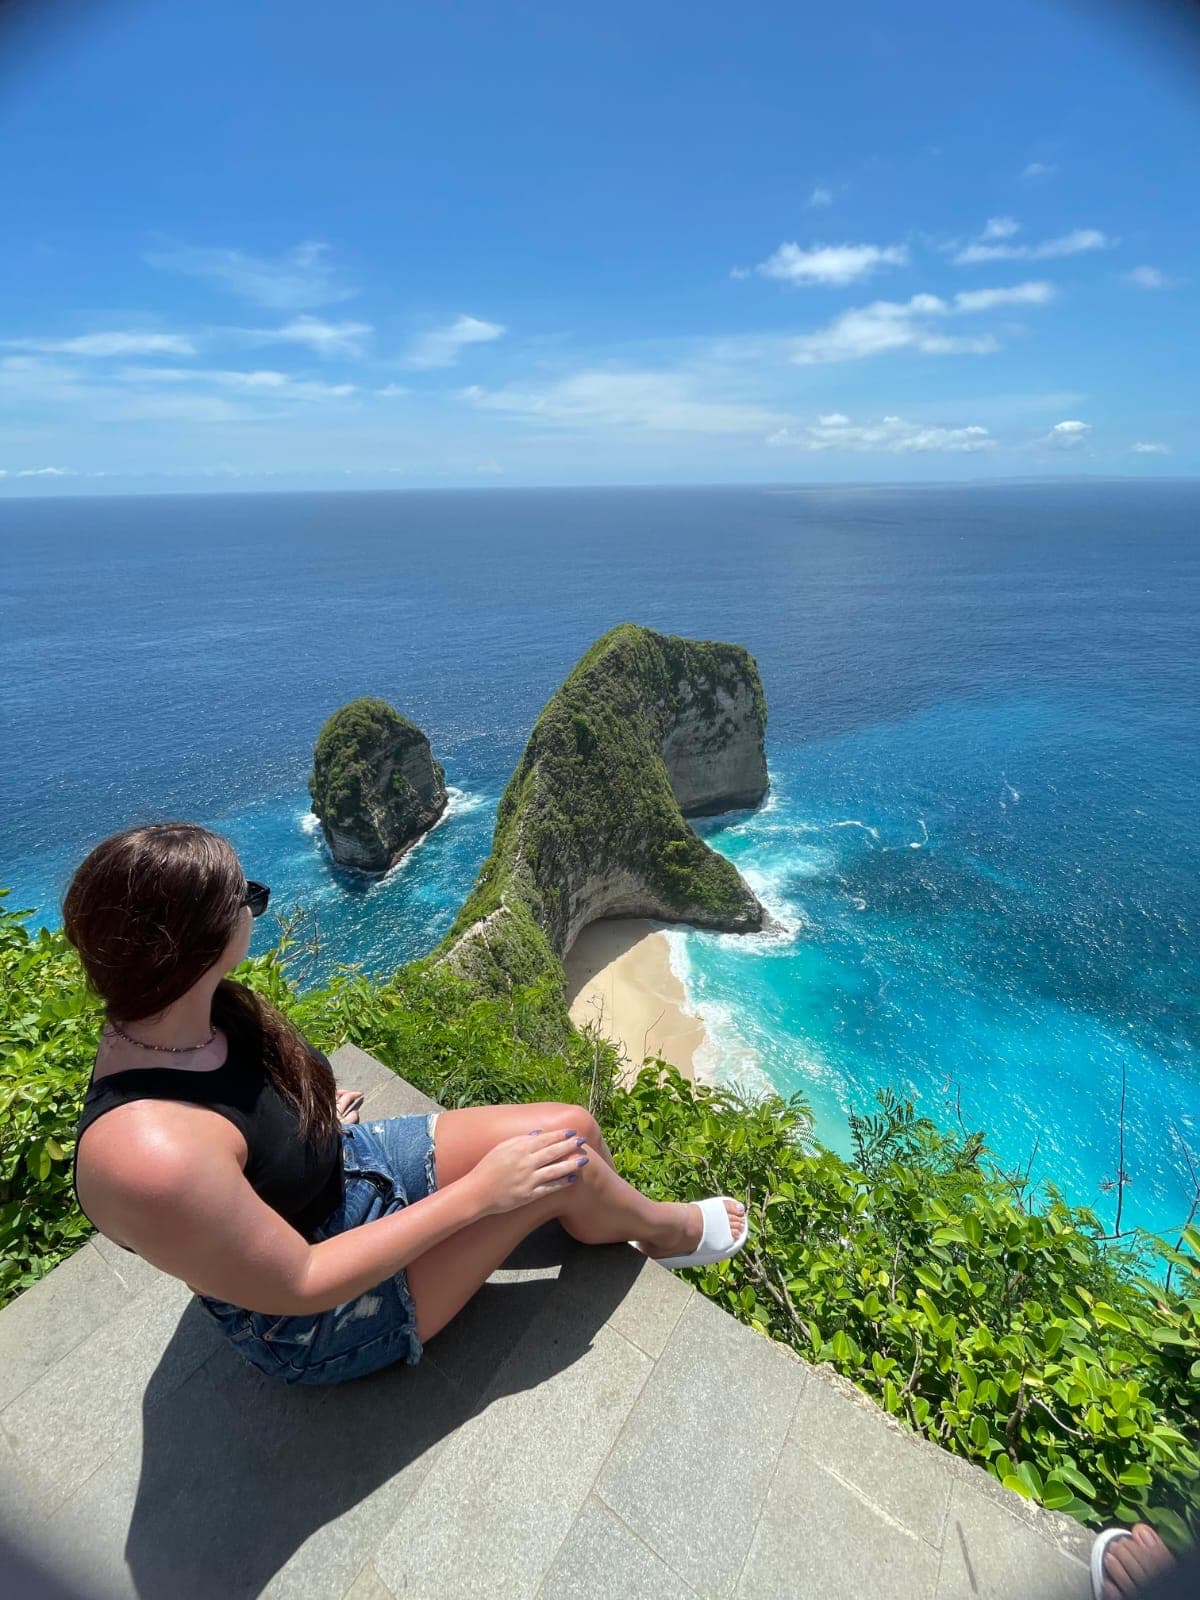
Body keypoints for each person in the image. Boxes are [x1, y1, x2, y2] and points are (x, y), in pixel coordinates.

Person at [64, 821, 749, 1386]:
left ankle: (607, 1219)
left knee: (574, 1126)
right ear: (199, 943)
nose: (255, 904)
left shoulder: (191, 1012)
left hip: (340, 1173)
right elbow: (299, 1282)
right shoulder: (148, 1155)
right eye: (247, 897)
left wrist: (302, 1131)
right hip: (314, 1318)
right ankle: (666, 1232)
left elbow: (237, 1124)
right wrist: (482, 1194)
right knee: (567, 1167)